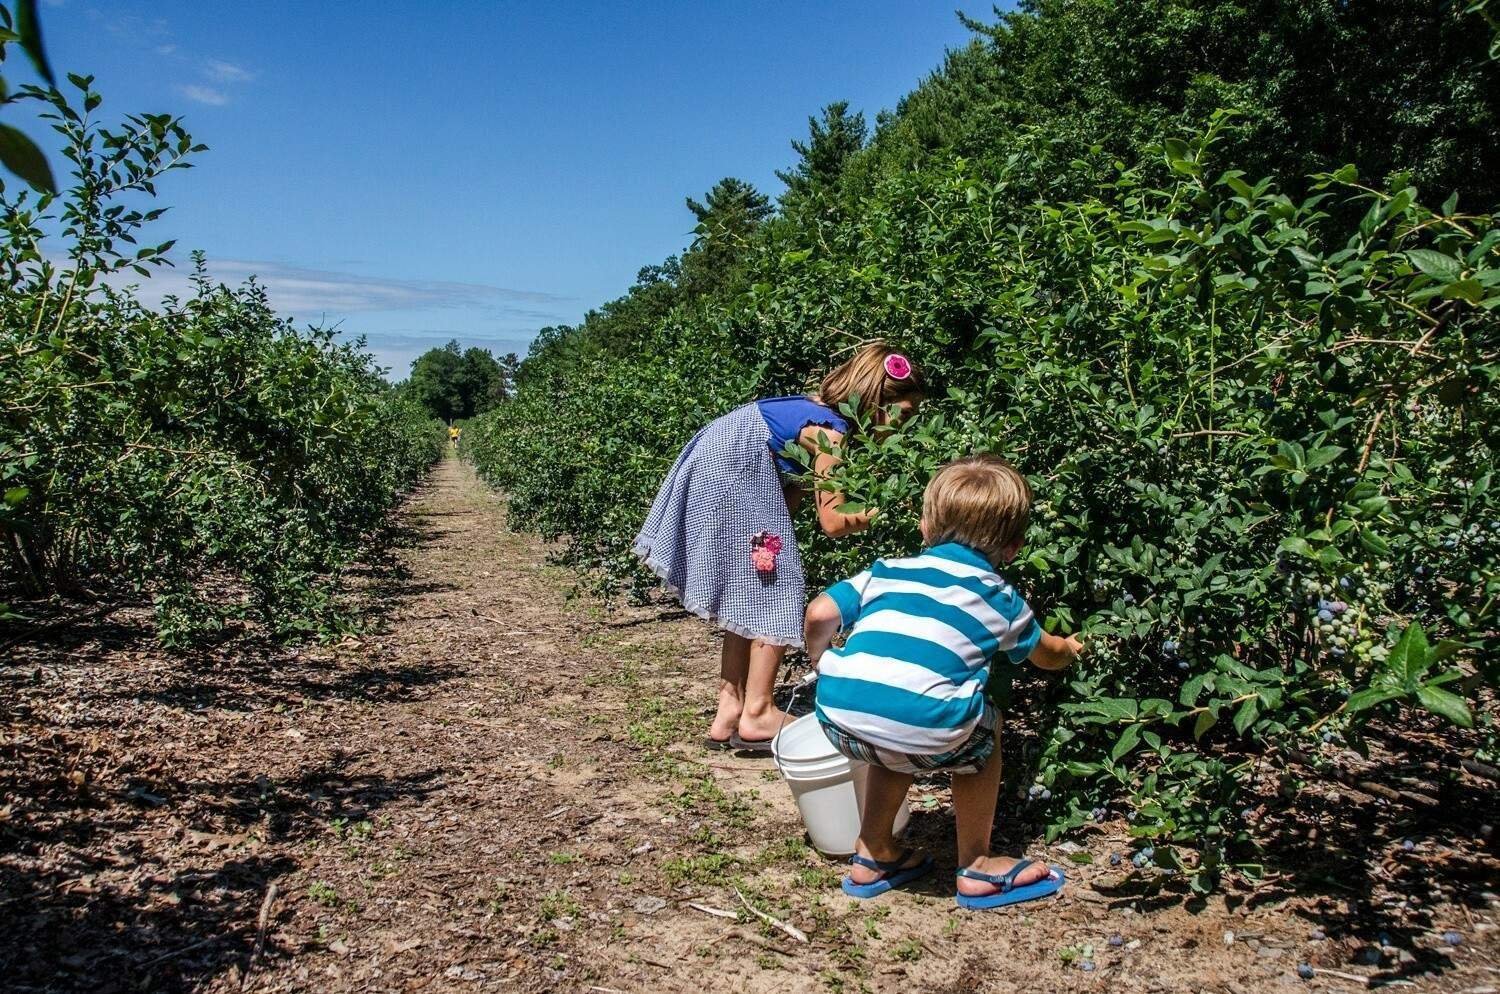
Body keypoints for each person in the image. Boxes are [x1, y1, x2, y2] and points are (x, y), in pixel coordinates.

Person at [804, 455, 1084, 909]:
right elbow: (1047, 654)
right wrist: (1070, 649)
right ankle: (976, 865)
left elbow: (818, 612)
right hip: (927, 727)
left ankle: (873, 854)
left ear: (925, 526)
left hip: (839, 716)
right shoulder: (999, 596)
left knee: (892, 733)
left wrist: (822, 660)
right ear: (1012, 548)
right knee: (986, 727)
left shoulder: (887, 570)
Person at [633, 342, 926, 751]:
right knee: (774, 584)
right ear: (878, 401)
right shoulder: (829, 434)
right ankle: (759, 711)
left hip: (718, 465)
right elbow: (835, 522)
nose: (903, 427)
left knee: (753, 582)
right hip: (730, 472)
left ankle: (731, 710)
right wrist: (893, 505)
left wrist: (774, 543)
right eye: (904, 414)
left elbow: (787, 491)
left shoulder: (811, 413)